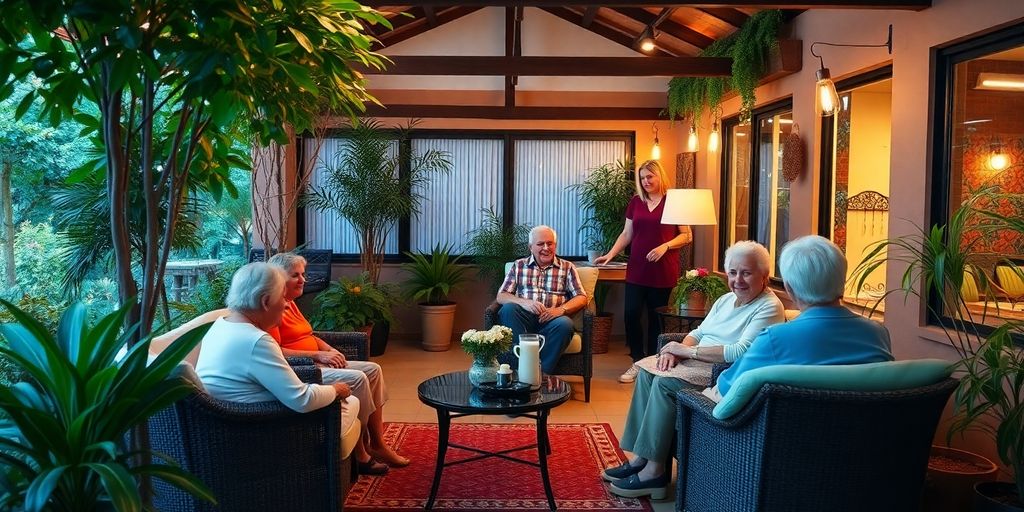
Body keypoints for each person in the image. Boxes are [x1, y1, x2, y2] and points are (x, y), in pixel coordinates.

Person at [604, 241, 785, 499]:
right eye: (733, 272)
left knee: (664, 385)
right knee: (647, 373)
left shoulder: (768, 306)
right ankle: (640, 459)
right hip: (696, 361)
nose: (738, 280)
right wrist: (675, 350)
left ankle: (654, 473)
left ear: (764, 276)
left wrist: (686, 352)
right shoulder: (725, 300)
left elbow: (740, 351)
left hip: (720, 373)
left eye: (746, 272)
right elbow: (698, 333)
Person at [194, 262, 362, 465]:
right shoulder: (256, 340)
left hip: (228, 424)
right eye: (283, 297)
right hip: (262, 432)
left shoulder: (220, 326)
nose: (286, 304)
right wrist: (336, 390)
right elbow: (302, 400)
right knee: (351, 402)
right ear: (266, 302)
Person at [267, 252, 408, 472]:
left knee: (373, 370)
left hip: (318, 361)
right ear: (277, 278)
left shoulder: (290, 303)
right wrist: (318, 356)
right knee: (360, 379)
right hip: (304, 369)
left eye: (303, 274)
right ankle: (361, 454)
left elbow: (309, 335)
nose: (303, 280)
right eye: (295, 275)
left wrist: (330, 349)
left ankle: (378, 444)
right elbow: (276, 351)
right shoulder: (274, 308)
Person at [710, 235, 894, 400]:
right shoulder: (878, 334)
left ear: (789, 288)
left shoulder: (775, 338)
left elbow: (726, 390)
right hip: (864, 435)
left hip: (785, 436)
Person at [593, 160, 693, 384]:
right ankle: (637, 361)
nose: (645, 181)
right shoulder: (636, 202)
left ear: (660, 177)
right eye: (642, 178)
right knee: (631, 314)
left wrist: (665, 245)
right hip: (637, 268)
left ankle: (654, 361)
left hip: (663, 270)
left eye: (650, 177)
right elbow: (626, 233)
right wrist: (610, 254)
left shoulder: (673, 202)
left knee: (655, 319)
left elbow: (687, 235)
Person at [497, 225, 589, 374]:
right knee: (508, 309)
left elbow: (581, 297)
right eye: (540, 244)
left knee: (565, 323)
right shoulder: (519, 265)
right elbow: (501, 295)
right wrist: (525, 303)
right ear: (530, 247)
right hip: (523, 321)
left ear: (555, 245)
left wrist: (559, 310)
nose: (546, 248)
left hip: (552, 321)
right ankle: (524, 368)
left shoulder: (567, 267)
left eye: (550, 243)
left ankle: (541, 374)